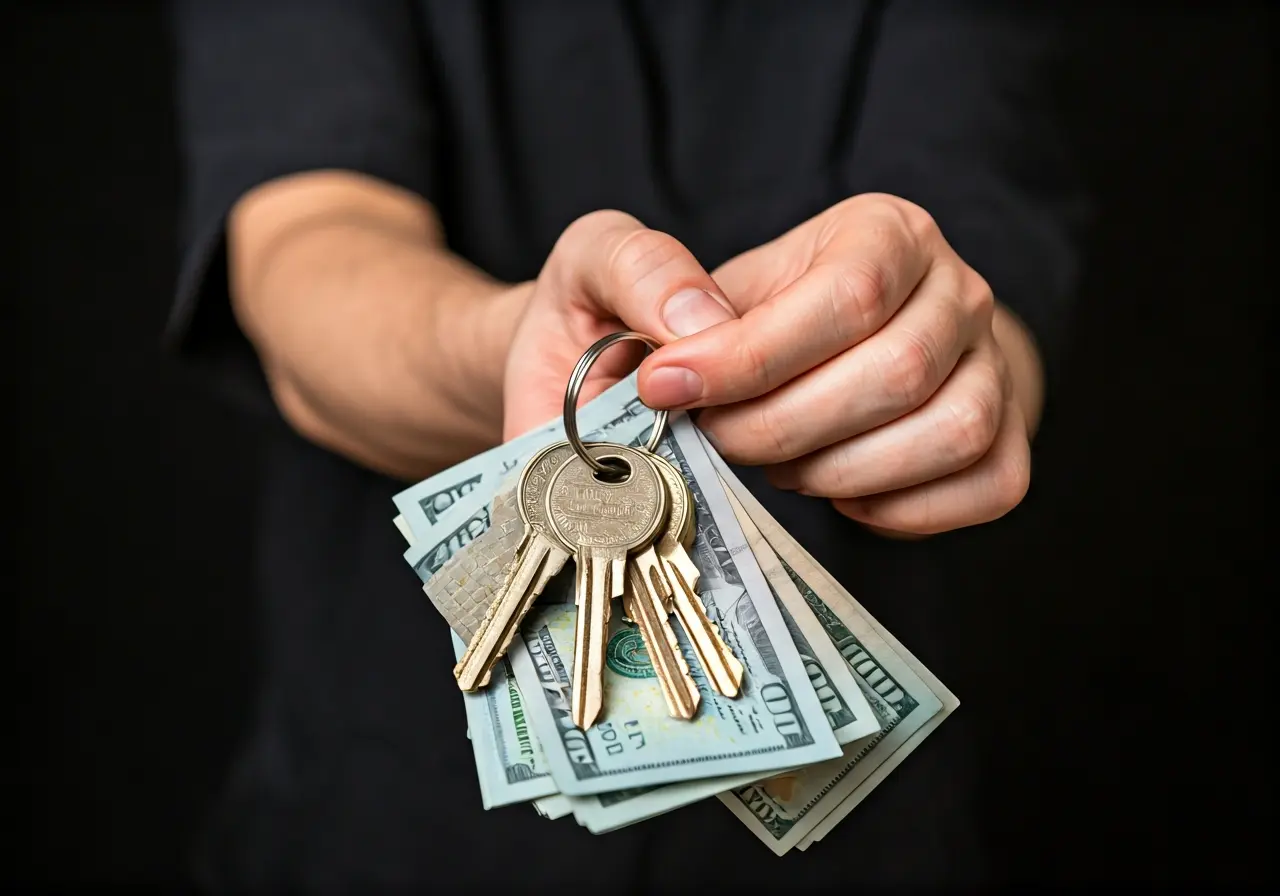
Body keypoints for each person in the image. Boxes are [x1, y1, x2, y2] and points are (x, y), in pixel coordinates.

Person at [169, 1, 1088, 890]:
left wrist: (952, 373)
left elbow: (984, 281)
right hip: (386, 811)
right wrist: (517, 342)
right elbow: (304, 249)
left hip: (861, 821)